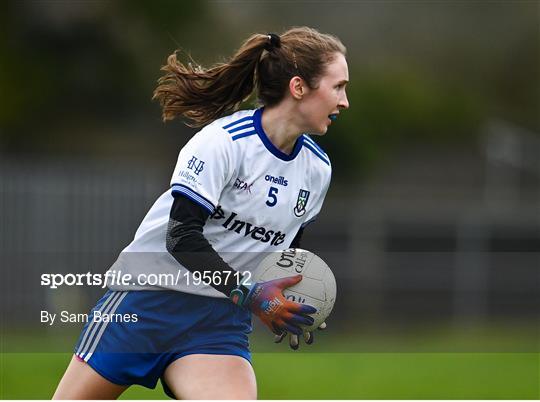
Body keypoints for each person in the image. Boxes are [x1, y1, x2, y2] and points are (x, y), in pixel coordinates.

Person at [53, 26, 349, 400]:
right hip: (147, 303)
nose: (345, 101)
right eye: (338, 87)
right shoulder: (223, 142)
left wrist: (292, 301)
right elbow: (181, 238)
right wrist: (253, 295)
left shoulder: (317, 169)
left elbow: (283, 258)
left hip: (219, 321)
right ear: (298, 87)